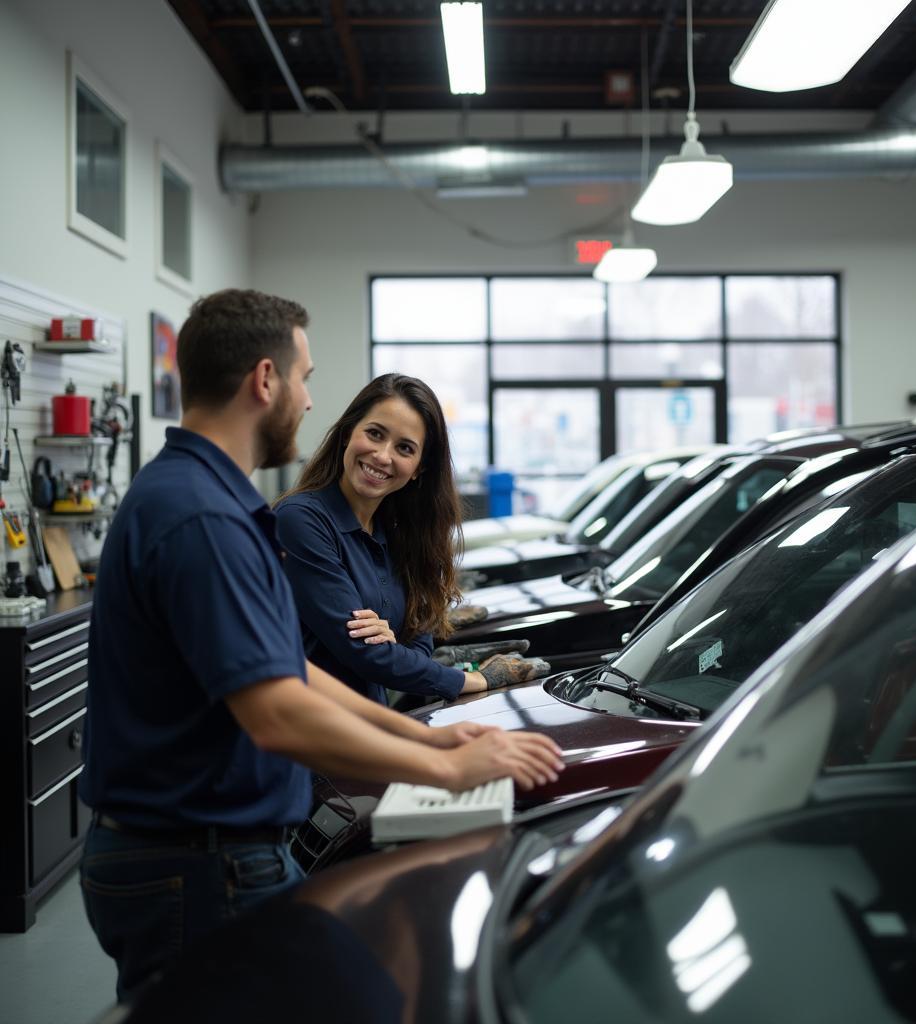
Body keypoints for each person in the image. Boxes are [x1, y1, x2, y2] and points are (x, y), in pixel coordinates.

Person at [79, 290, 563, 1003]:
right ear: (265, 380)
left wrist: (429, 739)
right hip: (195, 860)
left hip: (220, 851)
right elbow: (279, 712)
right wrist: (450, 773)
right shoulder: (203, 518)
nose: (309, 401)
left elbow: (292, 668)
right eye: (304, 377)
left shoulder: (213, 504)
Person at [275, 374, 549, 704]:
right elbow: (365, 654)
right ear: (349, 432)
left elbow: (419, 638)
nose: (382, 456)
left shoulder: (397, 531)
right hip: (311, 737)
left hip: (371, 728)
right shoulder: (301, 520)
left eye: (404, 448)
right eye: (375, 434)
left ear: (419, 468)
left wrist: (394, 647)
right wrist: (474, 679)